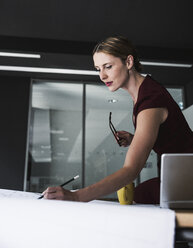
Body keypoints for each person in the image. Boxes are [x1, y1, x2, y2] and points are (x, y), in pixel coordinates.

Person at [42, 36, 193, 204]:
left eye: (108, 67)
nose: (102, 76)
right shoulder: (144, 92)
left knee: (140, 195)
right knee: (139, 195)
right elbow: (170, 137)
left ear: (128, 62)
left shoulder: (150, 101)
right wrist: (134, 140)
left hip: (187, 178)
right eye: (98, 69)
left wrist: (76, 195)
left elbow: (131, 170)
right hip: (178, 175)